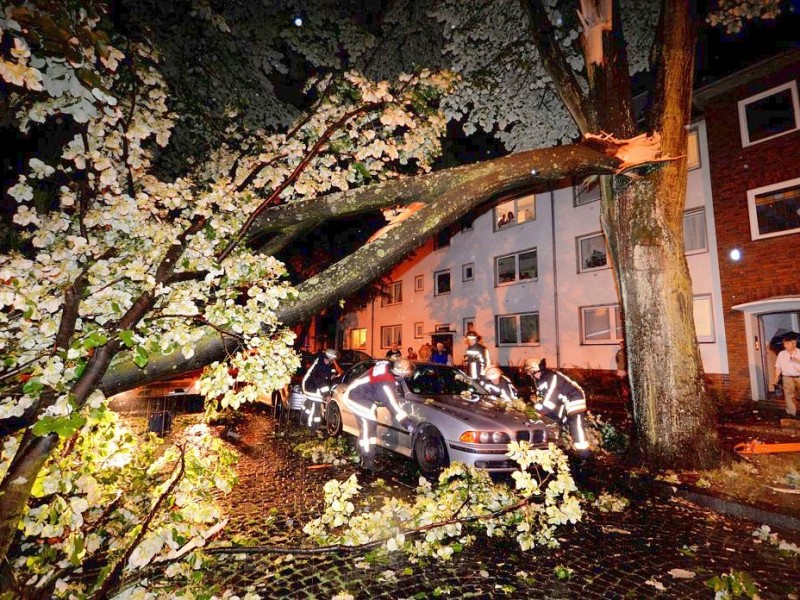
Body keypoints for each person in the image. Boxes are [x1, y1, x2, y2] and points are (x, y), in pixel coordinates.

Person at [343, 359, 416, 469]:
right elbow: (394, 407)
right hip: (356, 397)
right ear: (400, 373)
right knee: (369, 429)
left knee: (369, 426)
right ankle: (367, 462)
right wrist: (409, 425)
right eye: (406, 374)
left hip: (359, 394)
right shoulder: (385, 384)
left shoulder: (388, 366)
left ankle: (364, 454)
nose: (406, 377)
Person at [523, 357, 591, 458]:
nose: (530, 375)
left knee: (575, 424)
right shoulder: (541, 380)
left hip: (574, 398)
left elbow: (550, 400)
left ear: (533, 369)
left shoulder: (551, 377)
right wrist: (536, 406)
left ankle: (585, 454)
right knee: (556, 420)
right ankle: (559, 446)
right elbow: (542, 398)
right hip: (562, 402)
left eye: (529, 372)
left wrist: (539, 410)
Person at [301, 348, 341, 430]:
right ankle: (312, 427)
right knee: (316, 405)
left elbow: (328, 374)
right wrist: (326, 395)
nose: (333, 361)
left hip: (311, 386)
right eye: (333, 360)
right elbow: (321, 381)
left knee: (309, 404)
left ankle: (303, 420)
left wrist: (332, 376)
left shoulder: (323, 362)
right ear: (329, 358)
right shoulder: (320, 365)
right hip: (311, 387)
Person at [771, 331, 800, 417]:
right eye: (784, 344)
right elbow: (778, 367)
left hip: (799, 377)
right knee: (788, 396)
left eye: (787, 344)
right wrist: (776, 378)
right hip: (787, 378)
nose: (785, 346)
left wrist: (797, 360)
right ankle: (791, 413)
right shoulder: (781, 354)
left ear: (794, 344)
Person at [615, 340, 631, 406]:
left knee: (624, 382)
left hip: (623, 369)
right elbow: (616, 360)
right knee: (622, 382)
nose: (621, 346)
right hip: (620, 369)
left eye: (622, 345)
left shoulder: (625, 352)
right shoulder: (619, 352)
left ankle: (625, 395)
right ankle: (624, 395)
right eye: (620, 345)